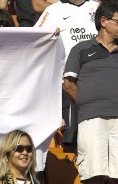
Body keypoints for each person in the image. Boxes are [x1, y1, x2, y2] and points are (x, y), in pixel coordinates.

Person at [63, 1, 118, 183]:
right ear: (103, 21)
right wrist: (90, 103)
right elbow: (68, 84)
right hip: (91, 118)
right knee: (94, 175)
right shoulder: (81, 49)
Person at [34, 0, 99, 153]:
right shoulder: (52, 10)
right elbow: (35, 39)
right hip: (69, 82)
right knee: (73, 137)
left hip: (99, 78)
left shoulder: (98, 8)